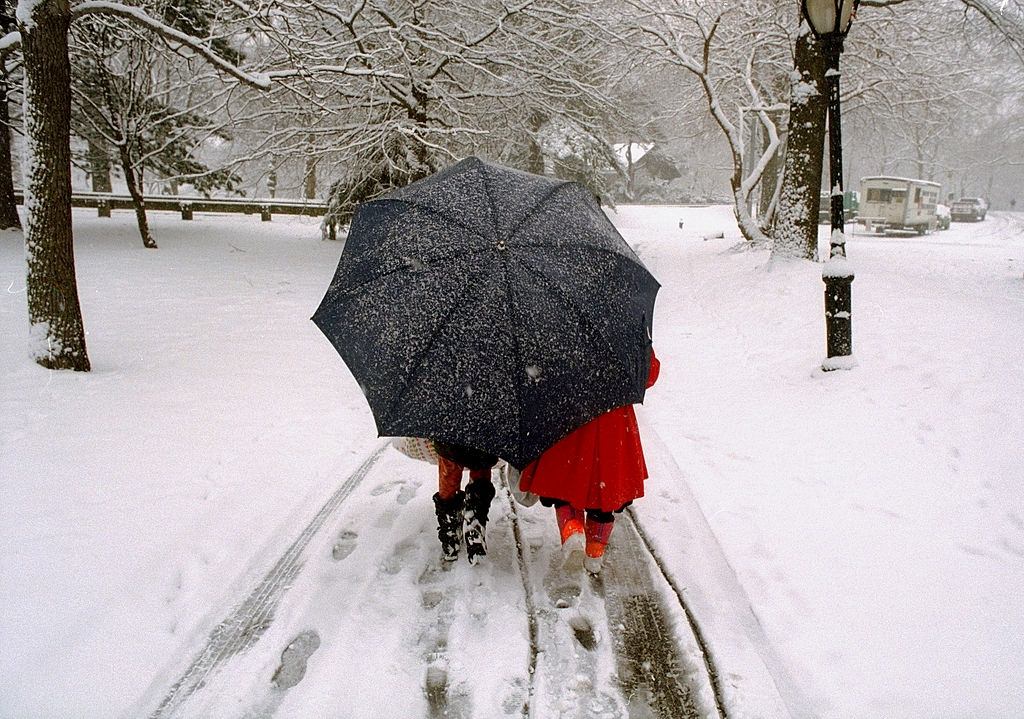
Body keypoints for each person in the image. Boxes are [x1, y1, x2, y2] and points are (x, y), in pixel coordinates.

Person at [518, 349, 660, 574]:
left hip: (567, 416)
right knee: (604, 493)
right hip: (612, 421)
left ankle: (572, 530)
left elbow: (535, 374)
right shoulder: (623, 329)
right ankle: (595, 551)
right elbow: (648, 375)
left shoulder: (554, 325)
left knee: (563, 486)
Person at [431, 441, 498, 564]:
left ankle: (450, 532)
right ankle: (475, 516)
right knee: (480, 464)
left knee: (449, 470)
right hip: (485, 434)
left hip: (450, 433)